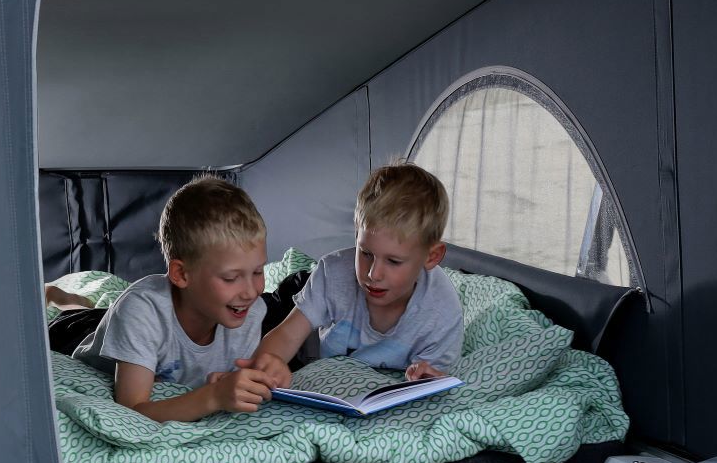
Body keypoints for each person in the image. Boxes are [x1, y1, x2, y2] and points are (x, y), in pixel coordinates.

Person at [72, 176, 281, 420]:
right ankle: (64, 298)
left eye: (257, 272)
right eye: (231, 278)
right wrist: (213, 396)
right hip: (76, 331)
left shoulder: (249, 311)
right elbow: (131, 412)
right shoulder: (141, 311)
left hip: (124, 328)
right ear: (181, 274)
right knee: (79, 312)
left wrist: (263, 376)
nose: (251, 292)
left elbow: (229, 383)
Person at [250, 162, 463, 384]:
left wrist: (427, 377)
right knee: (249, 323)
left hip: (322, 337)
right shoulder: (333, 274)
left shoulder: (441, 315)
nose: (373, 274)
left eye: (393, 261)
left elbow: (432, 381)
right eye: (366, 253)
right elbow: (286, 334)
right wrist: (268, 364)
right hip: (297, 299)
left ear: (431, 257)